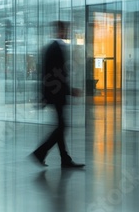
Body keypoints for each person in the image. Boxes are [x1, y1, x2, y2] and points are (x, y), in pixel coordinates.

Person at [31, 20, 85, 168]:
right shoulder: (55, 48)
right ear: (58, 31)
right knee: (62, 126)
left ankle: (64, 159)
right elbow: (55, 75)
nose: (67, 31)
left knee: (61, 126)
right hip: (56, 94)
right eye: (65, 29)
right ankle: (40, 152)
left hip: (55, 93)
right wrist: (70, 90)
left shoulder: (53, 47)